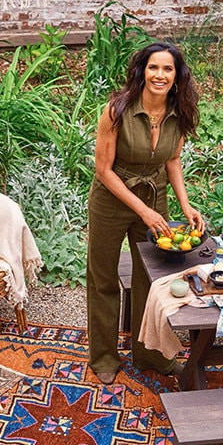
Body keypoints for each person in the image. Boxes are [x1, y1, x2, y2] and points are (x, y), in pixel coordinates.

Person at [87, 41, 203, 384]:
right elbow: (104, 170)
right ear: (142, 71)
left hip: (156, 198)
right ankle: (105, 357)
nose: (160, 75)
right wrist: (143, 212)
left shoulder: (179, 112)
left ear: (176, 76)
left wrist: (185, 205)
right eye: (154, 67)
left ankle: (150, 354)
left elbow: (172, 160)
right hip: (111, 200)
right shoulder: (116, 110)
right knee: (103, 277)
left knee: (152, 278)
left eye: (167, 69)